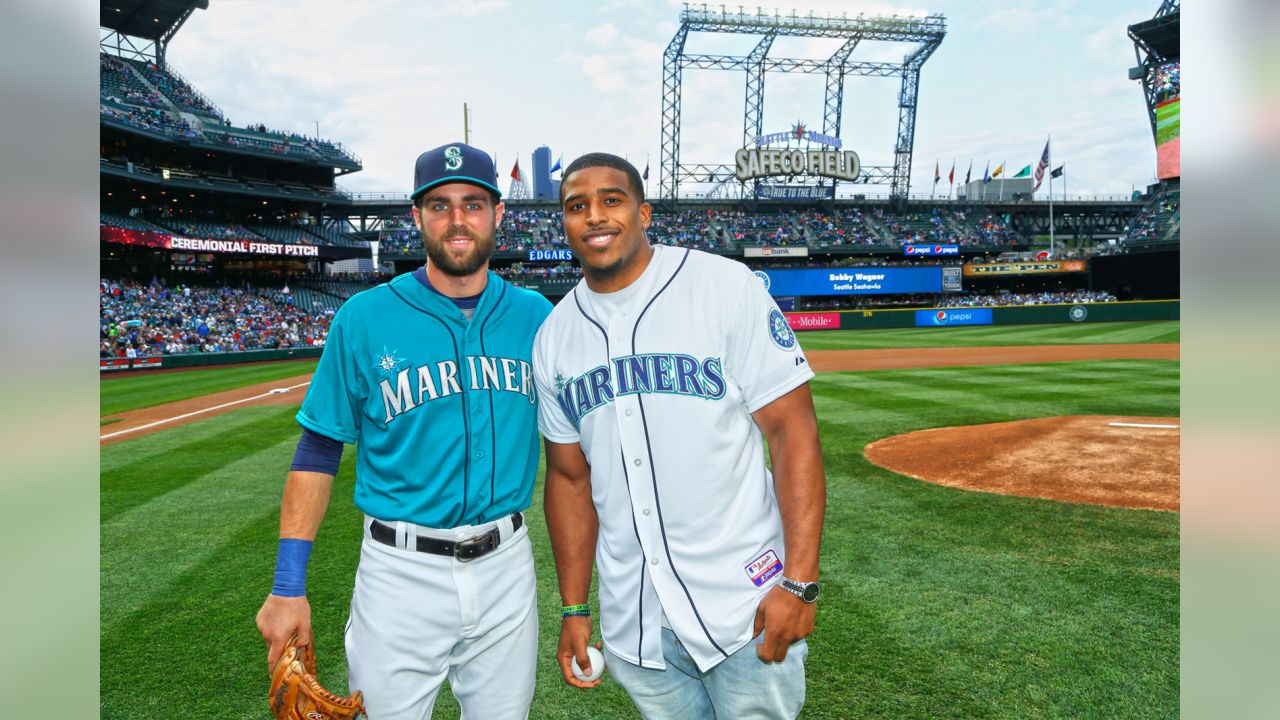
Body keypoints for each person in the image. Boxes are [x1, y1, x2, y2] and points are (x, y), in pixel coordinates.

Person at [255, 142, 552, 719]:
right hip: (400, 573)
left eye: (473, 203)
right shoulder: (363, 317)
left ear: (498, 213)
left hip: (507, 566)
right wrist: (288, 584)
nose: (457, 219)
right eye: (439, 205)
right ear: (415, 217)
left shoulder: (538, 317)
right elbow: (318, 449)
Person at [534, 153, 826, 719]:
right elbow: (569, 479)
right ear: (565, 224)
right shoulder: (554, 337)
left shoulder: (722, 286)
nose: (594, 216)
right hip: (634, 623)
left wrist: (801, 582)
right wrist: (574, 607)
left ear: (643, 213)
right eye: (577, 206)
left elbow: (793, 432)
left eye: (611, 200)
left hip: (744, 604)